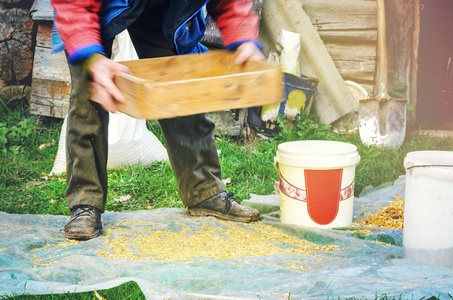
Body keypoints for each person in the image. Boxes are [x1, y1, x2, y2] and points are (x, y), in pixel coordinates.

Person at [51, 0, 264, 240]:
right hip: (92, 8)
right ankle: (85, 203)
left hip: (162, 7)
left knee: (179, 78)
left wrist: (242, 35)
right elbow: (73, 6)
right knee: (89, 91)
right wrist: (92, 59)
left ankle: (205, 192)